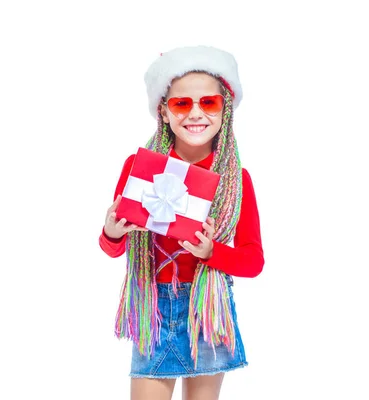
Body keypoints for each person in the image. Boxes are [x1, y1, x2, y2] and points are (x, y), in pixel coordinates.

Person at [98, 45, 265, 400]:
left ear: (226, 109)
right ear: (164, 110)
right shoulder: (138, 169)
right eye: (181, 103)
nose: (195, 114)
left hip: (207, 311)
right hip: (153, 312)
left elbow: (253, 260)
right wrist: (112, 232)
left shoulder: (236, 180)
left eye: (208, 103)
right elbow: (113, 245)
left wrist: (211, 251)